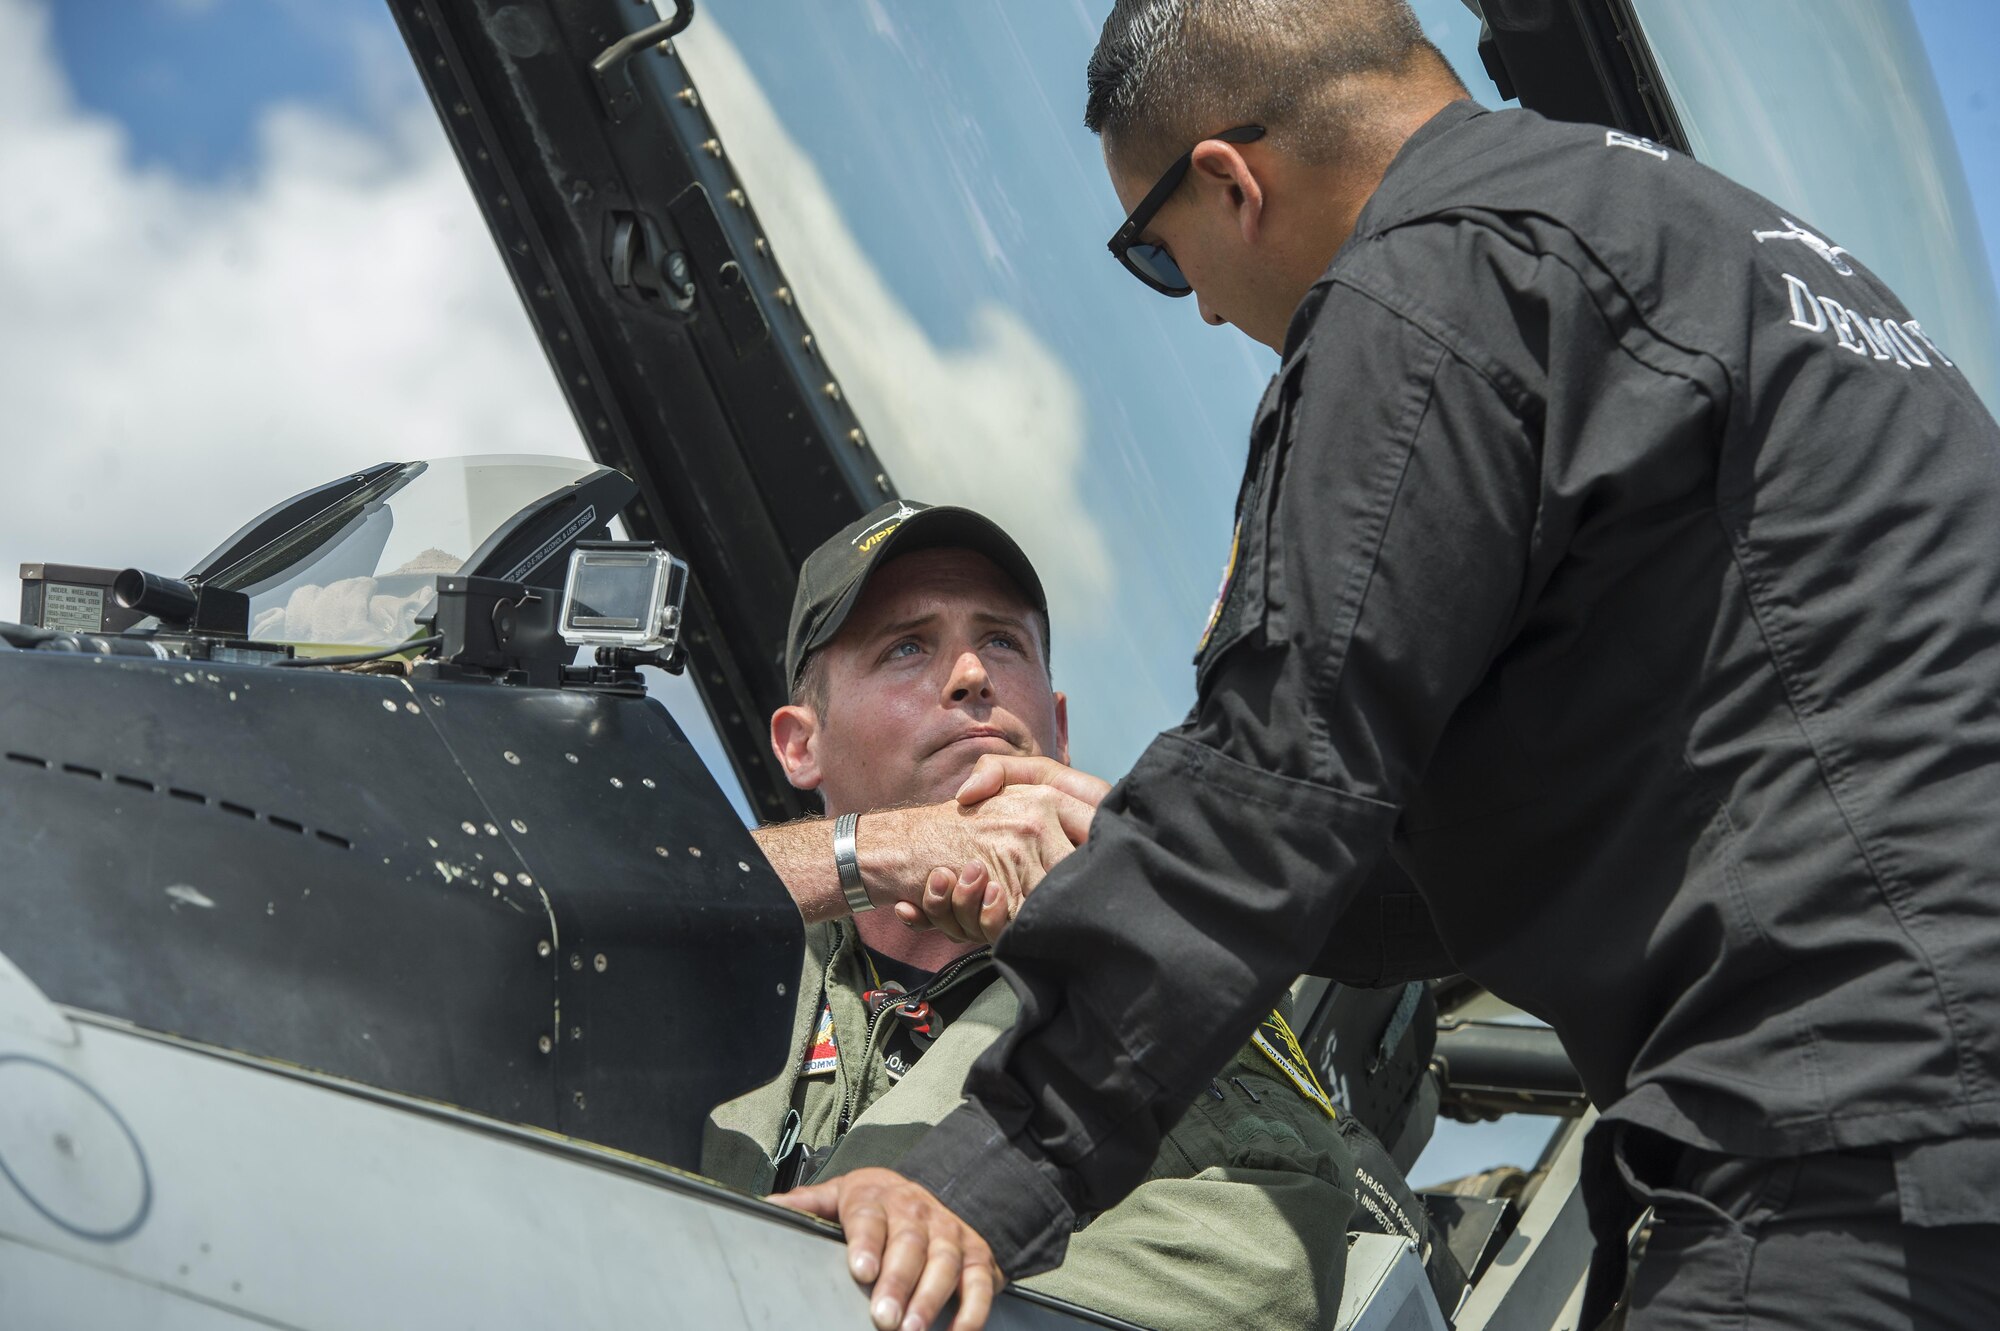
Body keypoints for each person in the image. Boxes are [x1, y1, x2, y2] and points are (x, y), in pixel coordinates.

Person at [775, 4, 2000, 1331]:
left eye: (1157, 253)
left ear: (1231, 184)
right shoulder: (1715, 244)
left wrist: (977, 1172)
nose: (1194, 310)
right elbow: (1538, 799)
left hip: (1851, 1138)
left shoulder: (1425, 288)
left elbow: (1283, 778)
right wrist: (1129, 845)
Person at [714, 499, 1444, 1330]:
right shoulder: (728, 960)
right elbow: (615, 878)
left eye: (1001, 640)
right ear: (799, 744)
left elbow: (1263, 1260)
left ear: (1058, 728)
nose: (969, 675)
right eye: (907, 646)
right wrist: (875, 852)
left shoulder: (1165, 962)